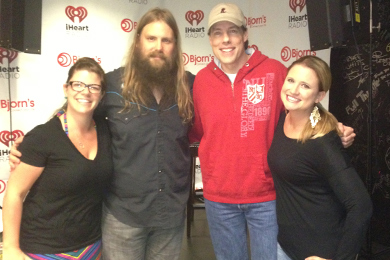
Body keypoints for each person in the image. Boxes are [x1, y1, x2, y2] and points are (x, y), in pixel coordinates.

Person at [9, 7, 194, 260]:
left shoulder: (190, 86)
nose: (158, 47)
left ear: (175, 45)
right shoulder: (114, 85)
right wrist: (29, 145)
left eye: (166, 40)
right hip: (123, 217)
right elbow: (76, 114)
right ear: (138, 41)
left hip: (170, 218)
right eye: (151, 38)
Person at [189, 3, 356, 260]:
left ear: (245, 34)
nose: (225, 39)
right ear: (210, 39)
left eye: (232, 31)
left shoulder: (275, 71)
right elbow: (200, 131)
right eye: (217, 33)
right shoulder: (201, 80)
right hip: (218, 197)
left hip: (266, 196)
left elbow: (302, 111)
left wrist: (333, 128)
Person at [2, 57, 112, 260]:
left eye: (93, 87)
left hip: (92, 246)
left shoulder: (106, 130)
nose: (85, 91)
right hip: (45, 249)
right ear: (66, 89)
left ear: (101, 94)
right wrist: (10, 248)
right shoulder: (43, 137)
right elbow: (14, 194)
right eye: (78, 84)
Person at [267, 55, 372, 260]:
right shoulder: (282, 119)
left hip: (319, 251)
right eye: (291, 80)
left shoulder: (322, 142)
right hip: (285, 245)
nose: (294, 90)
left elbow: (361, 206)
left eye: (305, 85)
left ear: (319, 96)